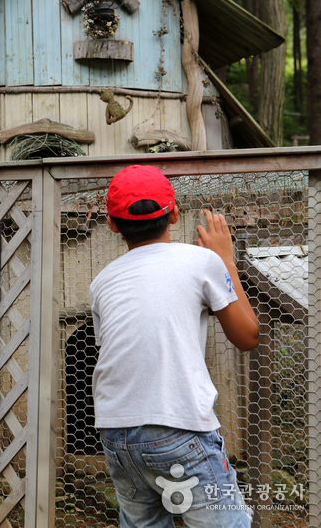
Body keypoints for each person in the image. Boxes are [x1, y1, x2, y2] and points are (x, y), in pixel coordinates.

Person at [89, 164, 259, 528]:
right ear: (175, 214)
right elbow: (248, 337)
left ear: (112, 224)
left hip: (116, 431)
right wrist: (226, 259)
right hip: (177, 426)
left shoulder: (102, 282)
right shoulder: (201, 261)